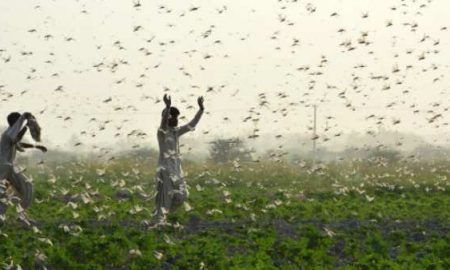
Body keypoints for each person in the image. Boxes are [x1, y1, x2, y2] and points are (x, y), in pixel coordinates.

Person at [153, 94, 204, 223]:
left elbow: (192, 124)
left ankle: (163, 217)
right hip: (165, 172)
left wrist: (201, 109)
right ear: (167, 118)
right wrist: (167, 107)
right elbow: (163, 124)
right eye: (173, 117)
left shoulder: (176, 131)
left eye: (176, 117)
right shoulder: (161, 133)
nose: (176, 119)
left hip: (176, 171)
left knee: (182, 196)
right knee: (165, 200)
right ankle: (158, 223)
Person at [0, 112, 46, 225]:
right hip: (3, 168)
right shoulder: (7, 135)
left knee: (27, 186)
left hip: (8, 168)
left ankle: (21, 216)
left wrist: (36, 146)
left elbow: (19, 143)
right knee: (3, 194)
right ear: (15, 123)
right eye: (19, 122)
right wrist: (25, 120)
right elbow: (17, 138)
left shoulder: (11, 135)